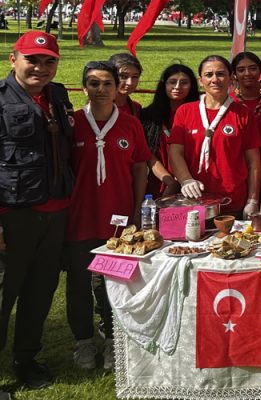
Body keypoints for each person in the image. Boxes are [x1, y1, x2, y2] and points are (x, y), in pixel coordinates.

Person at [0, 31, 75, 394]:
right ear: (13, 59)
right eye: (32, 59)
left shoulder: (58, 96)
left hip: (54, 214)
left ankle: (27, 360)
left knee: (40, 293)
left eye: (49, 60)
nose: (40, 67)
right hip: (10, 216)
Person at [64, 61, 150, 371]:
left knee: (114, 284)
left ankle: (114, 340)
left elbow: (140, 166)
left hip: (118, 221)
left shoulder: (130, 125)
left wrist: (137, 208)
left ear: (117, 88)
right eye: (93, 83)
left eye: (107, 84)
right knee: (78, 283)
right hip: (79, 218)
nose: (101, 90)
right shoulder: (72, 124)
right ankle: (84, 341)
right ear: (84, 87)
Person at [169, 56, 261, 217]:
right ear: (200, 80)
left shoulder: (243, 113)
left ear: (231, 78)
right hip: (194, 200)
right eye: (209, 74)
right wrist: (185, 180)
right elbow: (175, 151)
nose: (215, 79)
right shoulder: (185, 111)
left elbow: (253, 161)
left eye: (220, 74)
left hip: (233, 201)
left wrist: (252, 200)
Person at [139, 64, 196, 198]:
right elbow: (148, 154)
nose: (177, 87)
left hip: (193, 183)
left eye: (184, 83)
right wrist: (170, 182)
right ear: (163, 85)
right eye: (172, 82)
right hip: (160, 182)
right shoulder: (148, 115)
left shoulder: (199, 114)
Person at [108, 52, 143, 117]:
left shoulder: (137, 108)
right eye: (123, 76)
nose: (130, 83)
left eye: (135, 77)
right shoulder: (97, 109)